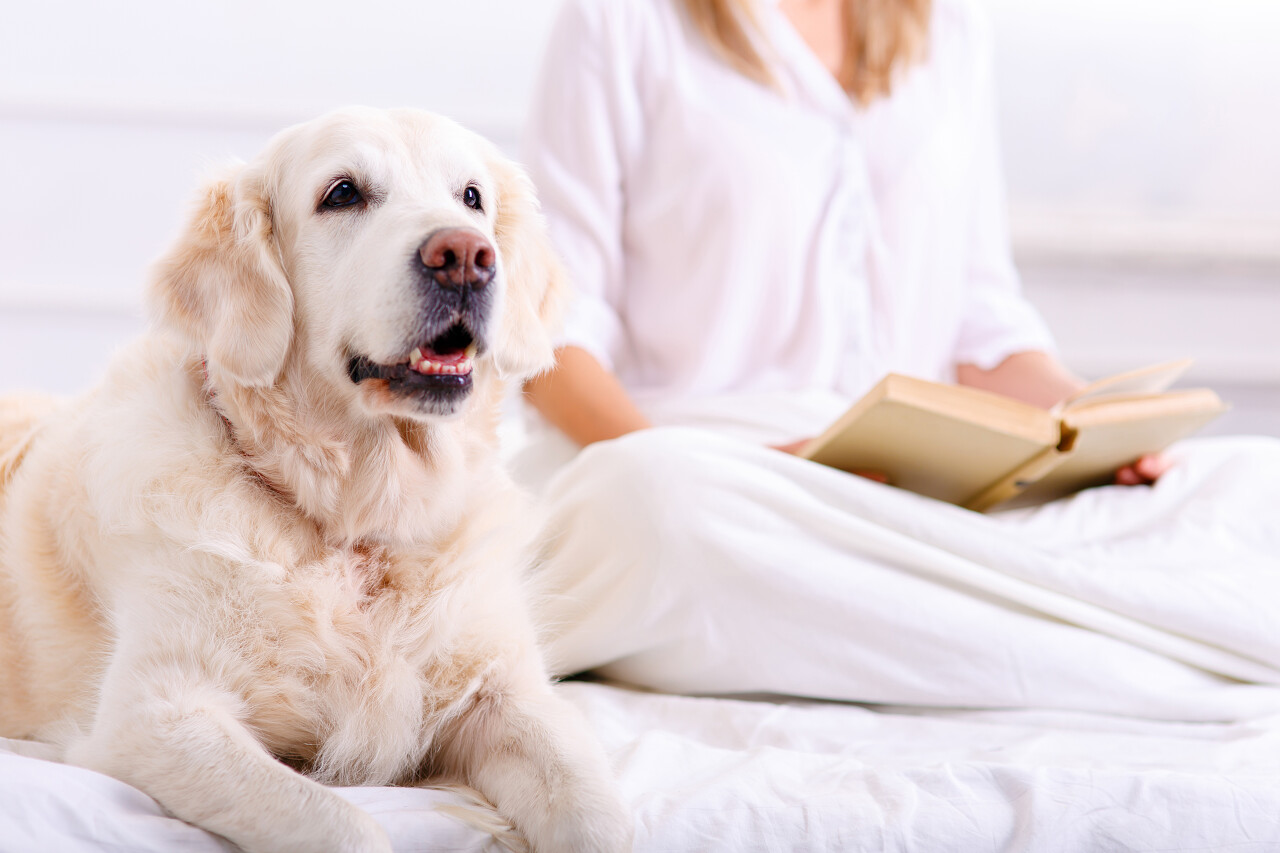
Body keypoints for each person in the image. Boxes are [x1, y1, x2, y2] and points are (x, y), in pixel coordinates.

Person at [513, 0, 1280, 720]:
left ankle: (998, 638)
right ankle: (1138, 657)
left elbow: (982, 318)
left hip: (913, 481)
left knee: (1254, 486)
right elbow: (552, 334)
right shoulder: (621, 21)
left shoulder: (942, 24)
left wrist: (1087, 424)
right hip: (716, 470)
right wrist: (746, 467)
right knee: (655, 498)